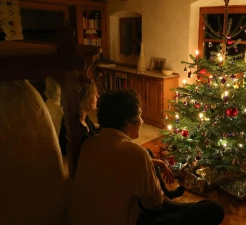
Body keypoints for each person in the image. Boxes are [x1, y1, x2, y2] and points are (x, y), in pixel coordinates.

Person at [70, 89, 225, 225]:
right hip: (132, 219)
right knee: (213, 209)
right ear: (129, 121)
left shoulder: (89, 143)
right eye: (139, 116)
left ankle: (170, 203)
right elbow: (154, 206)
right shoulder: (136, 154)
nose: (142, 121)